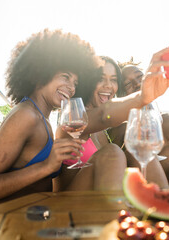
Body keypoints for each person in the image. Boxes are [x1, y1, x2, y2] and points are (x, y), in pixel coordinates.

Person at [0, 28, 169, 208]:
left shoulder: (39, 116)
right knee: (111, 153)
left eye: (75, 81)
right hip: (9, 218)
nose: (71, 88)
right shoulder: (25, 115)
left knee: (122, 151)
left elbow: (104, 115)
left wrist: (144, 97)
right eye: (64, 77)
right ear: (38, 72)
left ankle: (164, 214)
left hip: (39, 210)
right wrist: (46, 166)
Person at [108, 63, 169, 188]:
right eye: (128, 84)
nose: (138, 84)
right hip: (155, 197)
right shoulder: (118, 131)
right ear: (121, 95)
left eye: (140, 78)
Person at [53, 56, 127, 191]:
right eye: (100, 78)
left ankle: (161, 207)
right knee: (113, 152)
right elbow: (104, 116)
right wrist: (144, 98)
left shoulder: (102, 130)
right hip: (68, 204)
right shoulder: (73, 119)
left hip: (95, 200)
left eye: (114, 80)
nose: (108, 85)